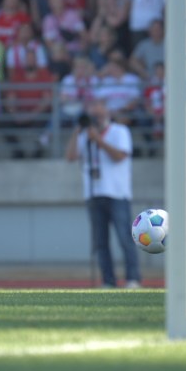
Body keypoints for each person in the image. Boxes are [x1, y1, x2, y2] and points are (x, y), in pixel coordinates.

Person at [65, 97, 141, 289]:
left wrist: (98, 140)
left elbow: (120, 156)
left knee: (125, 237)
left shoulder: (120, 131)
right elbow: (71, 157)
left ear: (107, 112)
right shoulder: (85, 135)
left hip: (117, 193)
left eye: (98, 111)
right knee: (100, 242)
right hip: (93, 193)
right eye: (92, 111)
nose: (95, 115)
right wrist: (77, 132)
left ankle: (133, 279)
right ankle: (108, 280)